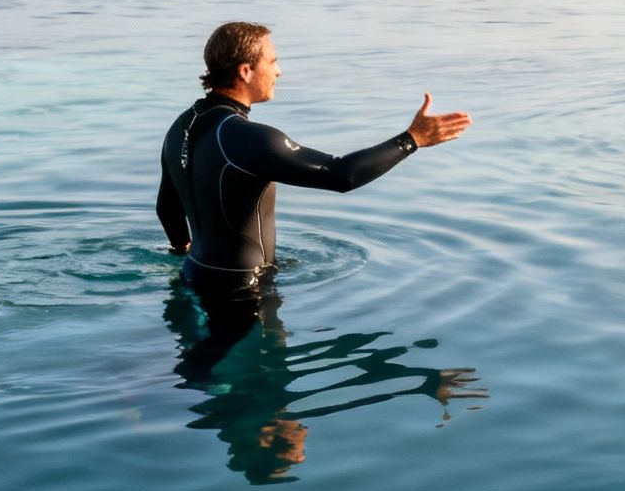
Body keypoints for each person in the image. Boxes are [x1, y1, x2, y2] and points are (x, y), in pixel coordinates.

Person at [156, 22, 471, 301]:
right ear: (245, 71)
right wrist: (412, 139)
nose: (278, 71)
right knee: (255, 368)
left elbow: (167, 208)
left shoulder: (181, 126)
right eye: (273, 62)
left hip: (194, 275)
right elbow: (340, 175)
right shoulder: (244, 137)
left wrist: (186, 249)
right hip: (242, 293)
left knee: (198, 362)